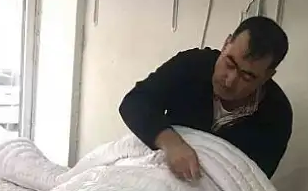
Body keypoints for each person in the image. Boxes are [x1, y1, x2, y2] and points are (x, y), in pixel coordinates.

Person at [119, 16, 292, 181]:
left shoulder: (276, 114)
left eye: (247, 77)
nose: (230, 80)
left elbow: (253, 181)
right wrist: (171, 143)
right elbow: (135, 102)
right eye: (229, 63)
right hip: (161, 169)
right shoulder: (193, 65)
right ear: (226, 44)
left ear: (267, 76)